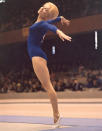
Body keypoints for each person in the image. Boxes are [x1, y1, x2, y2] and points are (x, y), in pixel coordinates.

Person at [27, 2, 72, 127]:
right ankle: (56, 116)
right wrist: (60, 18)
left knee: (48, 87)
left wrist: (59, 32)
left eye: (46, 10)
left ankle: (56, 117)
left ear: (46, 16)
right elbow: (50, 22)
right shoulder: (42, 22)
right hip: (37, 55)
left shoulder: (42, 23)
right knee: (47, 86)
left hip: (37, 55)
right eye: (43, 6)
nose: (42, 8)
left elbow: (51, 26)